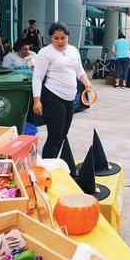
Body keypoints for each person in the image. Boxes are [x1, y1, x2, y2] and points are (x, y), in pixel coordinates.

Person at [32, 22, 92, 177]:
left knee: (63, 133)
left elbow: (79, 69)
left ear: (68, 37)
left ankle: (52, 164)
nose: (60, 41)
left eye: (63, 38)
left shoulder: (73, 50)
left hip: (70, 98)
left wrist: (85, 80)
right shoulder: (45, 53)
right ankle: (44, 169)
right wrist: (37, 100)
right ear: (50, 38)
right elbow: (37, 77)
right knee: (55, 135)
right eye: (55, 38)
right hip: (52, 96)